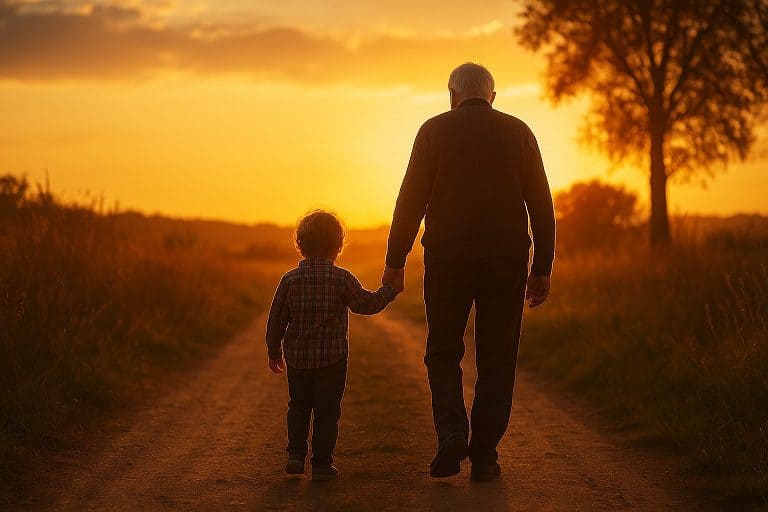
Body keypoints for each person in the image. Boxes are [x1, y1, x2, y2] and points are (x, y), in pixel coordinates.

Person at [382, 62, 556, 482]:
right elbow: (542, 205)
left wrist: (395, 262)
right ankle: (485, 456)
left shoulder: (432, 130)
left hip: (447, 258)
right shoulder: (519, 132)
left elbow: (410, 202)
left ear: (451, 94)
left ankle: (452, 435)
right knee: (498, 357)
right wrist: (543, 268)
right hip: (507, 260)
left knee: (443, 351)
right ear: (492, 97)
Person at [266, 210, 403, 481]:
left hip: (298, 359)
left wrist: (274, 351)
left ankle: (295, 456)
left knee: (299, 406)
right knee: (327, 411)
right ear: (338, 246)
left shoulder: (289, 280)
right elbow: (367, 304)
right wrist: (390, 290)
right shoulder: (342, 279)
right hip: (332, 361)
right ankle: (321, 464)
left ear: (300, 244)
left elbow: (276, 320)